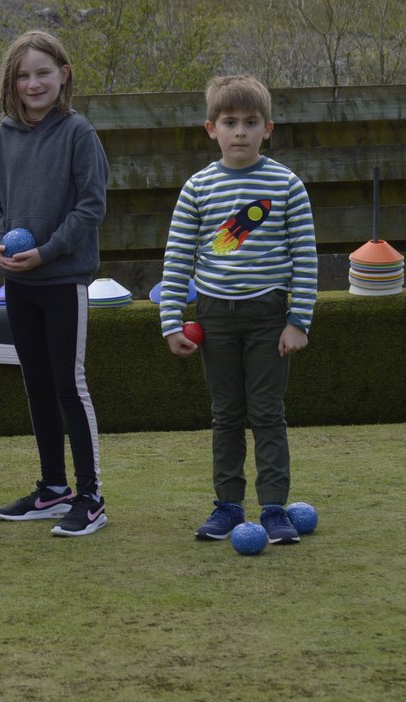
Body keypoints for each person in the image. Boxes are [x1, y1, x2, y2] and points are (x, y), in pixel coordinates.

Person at [159, 74, 317, 545]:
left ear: (268, 128)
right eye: (230, 122)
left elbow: (305, 258)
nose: (241, 132)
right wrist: (171, 321)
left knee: (267, 413)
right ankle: (227, 507)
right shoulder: (197, 188)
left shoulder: (287, 185)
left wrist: (298, 321)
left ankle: (273, 510)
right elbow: (177, 259)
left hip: (270, 319)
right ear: (212, 129)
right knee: (226, 414)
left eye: (251, 122)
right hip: (213, 317)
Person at [0, 30, 110, 537]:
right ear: (12, 82)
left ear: (64, 74)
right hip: (18, 281)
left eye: (43, 73)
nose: (34, 83)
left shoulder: (79, 133)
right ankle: (54, 489)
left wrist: (49, 250)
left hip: (63, 278)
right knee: (35, 384)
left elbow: (91, 206)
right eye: (24, 75)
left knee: (67, 384)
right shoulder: (0, 137)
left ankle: (91, 496)